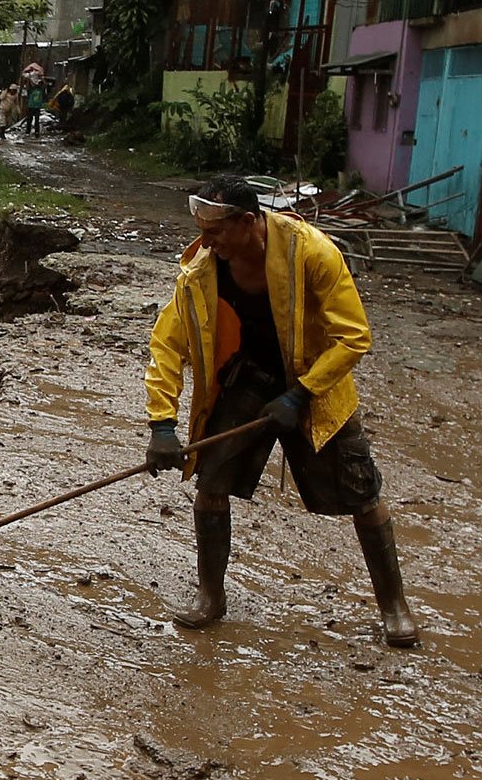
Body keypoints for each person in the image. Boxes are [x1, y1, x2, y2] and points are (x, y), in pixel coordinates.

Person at [143, 173, 417, 646]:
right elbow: (167, 344)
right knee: (211, 483)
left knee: (362, 490)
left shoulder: (312, 252)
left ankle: (395, 607)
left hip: (315, 380)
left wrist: (301, 394)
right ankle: (211, 596)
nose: (205, 242)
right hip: (248, 377)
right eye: (202, 230)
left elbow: (354, 337)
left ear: (249, 222)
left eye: (215, 231)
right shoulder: (202, 269)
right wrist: (162, 423)